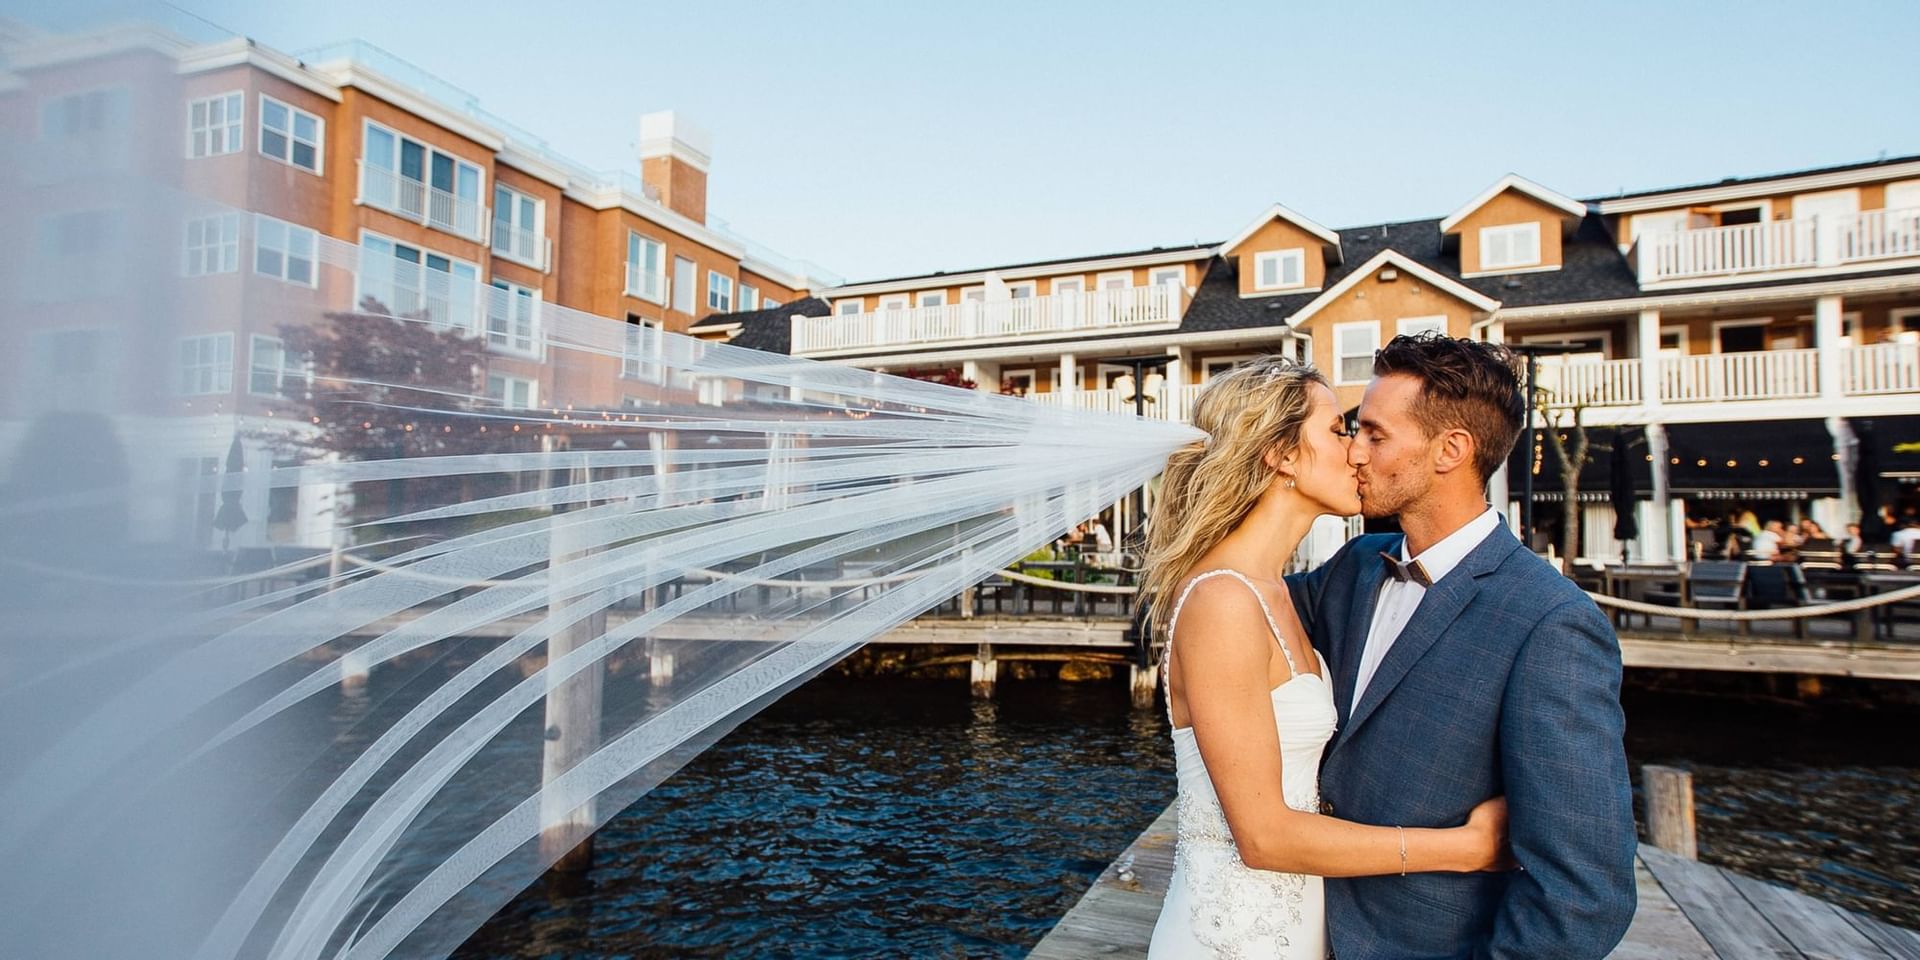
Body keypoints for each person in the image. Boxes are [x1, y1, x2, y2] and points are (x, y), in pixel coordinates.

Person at [1141, 356, 1512, 959]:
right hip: (1236, 938)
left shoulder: (1282, 590)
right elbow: (1262, 836)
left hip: (1303, 928)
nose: (1357, 452)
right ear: (1282, 454)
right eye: (1341, 430)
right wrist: (1467, 847)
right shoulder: (1223, 602)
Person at [1287, 334, 1637, 959]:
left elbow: (1584, 892)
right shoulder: (1356, 566)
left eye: (1374, 434)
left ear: (1451, 450)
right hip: (1297, 928)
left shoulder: (1551, 622)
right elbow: (1239, 598)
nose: (1354, 454)